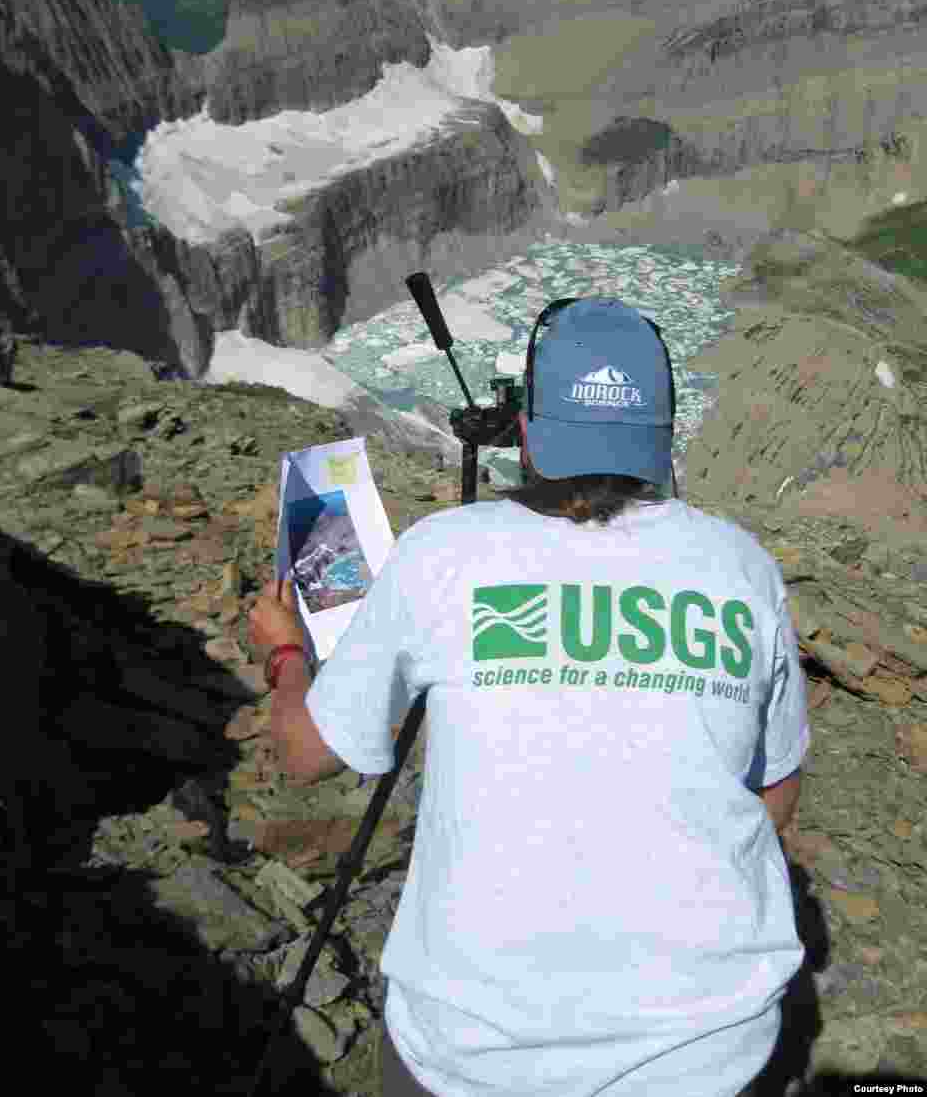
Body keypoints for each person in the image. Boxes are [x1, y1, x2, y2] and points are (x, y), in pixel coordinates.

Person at [247, 295, 809, 1097]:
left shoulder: (444, 554)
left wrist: (285, 652)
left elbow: (305, 753)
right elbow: (773, 794)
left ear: (527, 431)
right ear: (662, 430)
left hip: (472, 1060)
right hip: (707, 1056)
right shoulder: (742, 569)